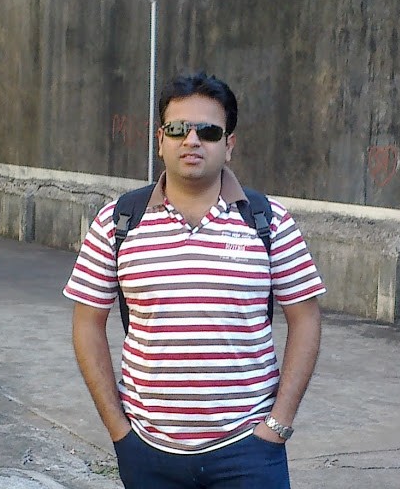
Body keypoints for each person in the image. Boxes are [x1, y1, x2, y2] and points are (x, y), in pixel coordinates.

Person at [64, 71, 326, 488]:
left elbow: (306, 319)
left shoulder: (269, 221)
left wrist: (277, 426)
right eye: (177, 129)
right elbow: (87, 323)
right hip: (148, 451)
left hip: (249, 451)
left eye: (208, 131)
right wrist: (119, 430)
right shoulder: (118, 222)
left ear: (229, 145)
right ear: (160, 140)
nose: (191, 140)